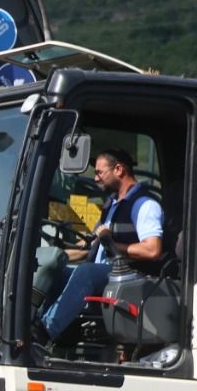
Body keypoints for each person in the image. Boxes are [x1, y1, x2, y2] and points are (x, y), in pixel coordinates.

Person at [39, 147, 166, 344]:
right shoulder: (112, 204)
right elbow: (91, 244)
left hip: (131, 275)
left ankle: (44, 332)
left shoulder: (144, 205)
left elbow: (152, 250)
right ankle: (40, 325)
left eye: (99, 172)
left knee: (86, 272)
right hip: (106, 271)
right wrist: (56, 256)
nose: (96, 178)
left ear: (119, 170)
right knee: (56, 269)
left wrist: (113, 244)